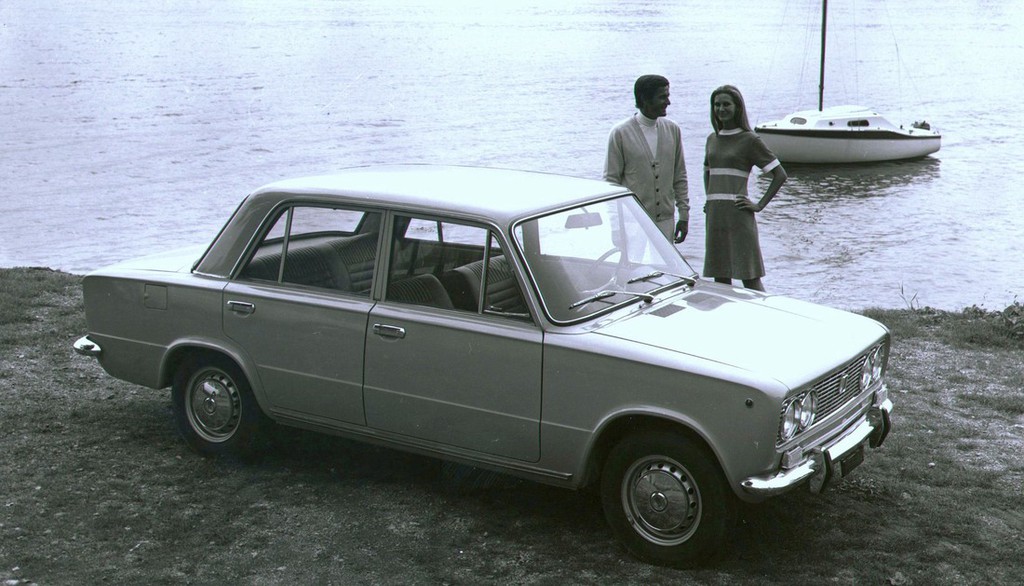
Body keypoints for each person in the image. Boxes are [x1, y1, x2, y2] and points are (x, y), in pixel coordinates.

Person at [702, 85, 787, 291]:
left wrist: (759, 205)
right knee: (720, 277)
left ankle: (766, 310)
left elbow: (779, 174)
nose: (721, 109)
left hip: (738, 215)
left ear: (737, 107)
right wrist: (710, 198)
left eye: (726, 104)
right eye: (717, 105)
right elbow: (708, 171)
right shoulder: (712, 139)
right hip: (715, 216)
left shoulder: (749, 139)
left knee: (749, 276)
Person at [604, 74, 689, 245]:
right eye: (662, 97)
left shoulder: (673, 130)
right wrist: (615, 227)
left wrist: (684, 215)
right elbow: (610, 183)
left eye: (668, 96)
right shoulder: (620, 133)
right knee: (634, 263)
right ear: (644, 98)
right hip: (632, 223)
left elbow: (679, 176)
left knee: (666, 263)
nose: (668, 102)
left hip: (665, 222)